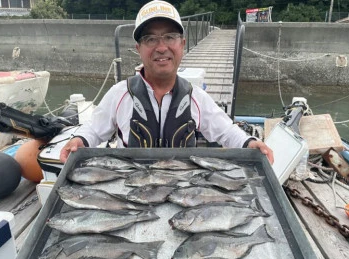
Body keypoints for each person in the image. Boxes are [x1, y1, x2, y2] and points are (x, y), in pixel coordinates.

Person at [60, 0, 273, 164]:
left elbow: (226, 132)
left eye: (170, 37)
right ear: (138, 49)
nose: (161, 47)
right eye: (150, 39)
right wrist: (78, 141)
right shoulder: (119, 94)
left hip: (182, 190)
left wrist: (250, 143)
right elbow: (95, 130)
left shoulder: (196, 97)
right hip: (132, 190)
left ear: (182, 44)